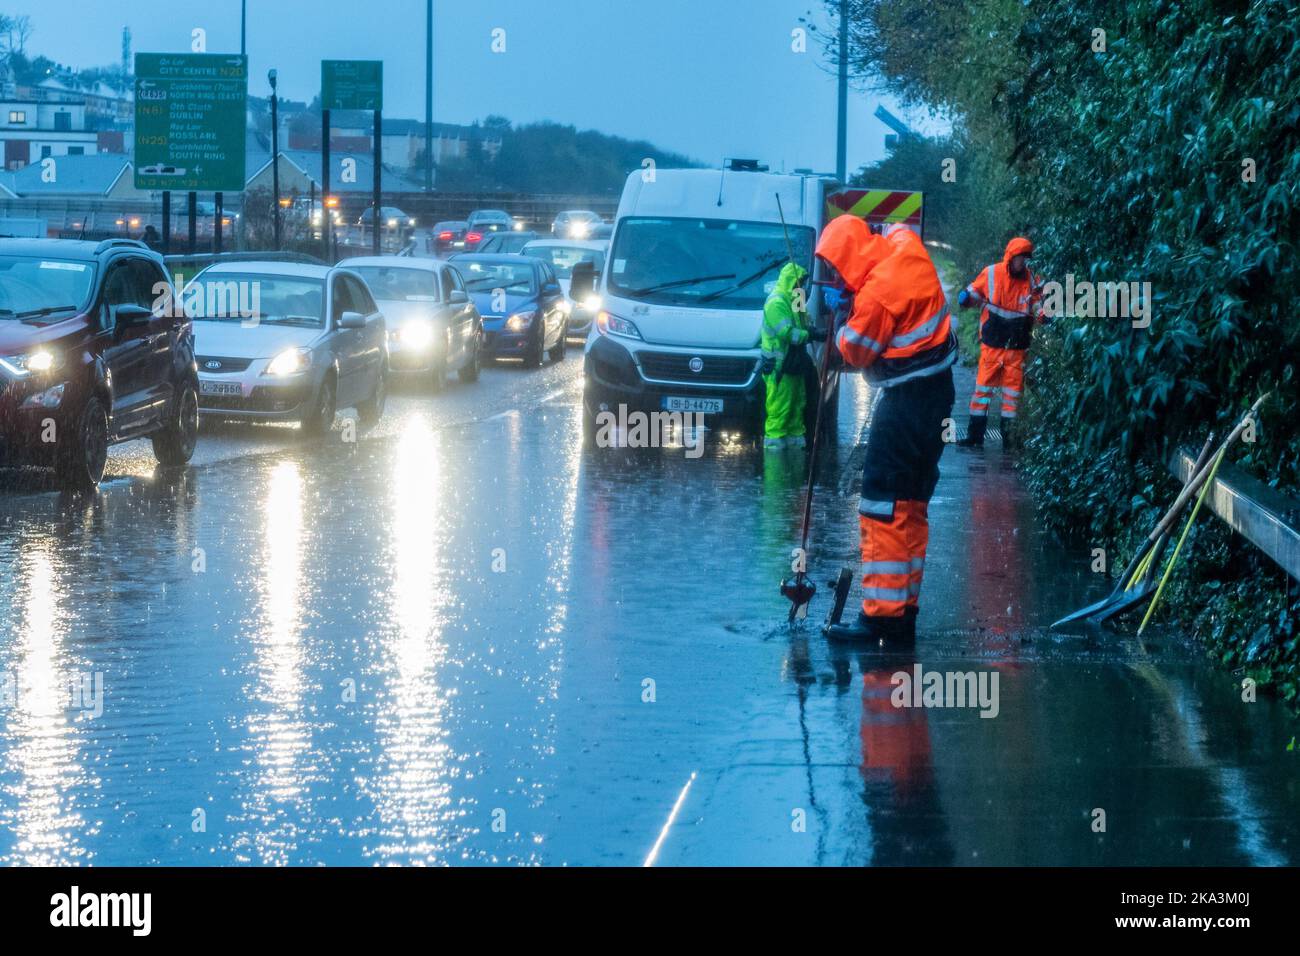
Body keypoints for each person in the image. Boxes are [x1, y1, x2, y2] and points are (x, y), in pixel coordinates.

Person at [816, 218, 957, 643]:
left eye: (837, 269)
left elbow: (856, 351)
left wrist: (840, 314)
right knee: (910, 504)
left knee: (882, 503)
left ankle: (881, 619)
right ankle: (903, 611)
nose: (836, 277)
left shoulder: (876, 295)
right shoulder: (905, 247)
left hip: (905, 403)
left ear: (849, 259)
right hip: (937, 398)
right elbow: (898, 227)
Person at [956, 237, 1046, 449]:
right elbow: (973, 293)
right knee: (983, 392)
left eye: (1025, 259)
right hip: (992, 345)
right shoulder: (991, 273)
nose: (1022, 263)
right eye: (1019, 258)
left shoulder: (1032, 279)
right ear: (1010, 257)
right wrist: (965, 297)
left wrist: (1044, 315)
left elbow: (1039, 305)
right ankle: (975, 436)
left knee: (1012, 396)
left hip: (1016, 347)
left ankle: (1009, 440)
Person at [760, 261, 811, 449]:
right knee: (780, 406)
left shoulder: (794, 298)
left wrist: (804, 314)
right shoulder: (776, 303)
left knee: (797, 402)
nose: (802, 286)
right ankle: (774, 444)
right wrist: (810, 335)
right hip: (779, 366)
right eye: (800, 282)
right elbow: (788, 333)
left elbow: (803, 322)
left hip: (794, 362)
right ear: (792, 280)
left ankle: (794, 439)